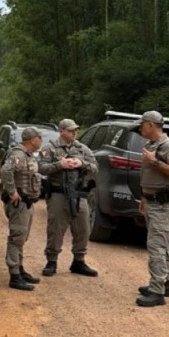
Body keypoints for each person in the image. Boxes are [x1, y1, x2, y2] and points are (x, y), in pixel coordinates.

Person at [135, 110, 169, 308]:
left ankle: (157, 292)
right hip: (151, 201)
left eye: (142, 125)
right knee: (161, 243)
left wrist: (154, 162)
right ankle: (164, 283)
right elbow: (150, 176)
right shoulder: (151, 146)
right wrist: (144, 197)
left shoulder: (168, 146)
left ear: (151, 125)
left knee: (156, 245)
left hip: (162, 204)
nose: (140, 128)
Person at [38, 118, 98, 277]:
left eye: (75, 130)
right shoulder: (50, 149)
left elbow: (95, 168)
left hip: (79, 193)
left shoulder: (83, 149)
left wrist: (81, 163)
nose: (74, 133)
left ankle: (79, 260)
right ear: (61, 131)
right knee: (56, 228)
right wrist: (60, 165)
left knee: (83, 228)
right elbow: (41, 168)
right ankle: (51, 261)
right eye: (70, 130)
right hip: (58, 193)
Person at [0, 126, 43, 290]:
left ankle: (20, 268)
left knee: (21, 237)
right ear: (32, 140)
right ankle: (14, 275)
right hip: (19, 204)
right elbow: (6, 170)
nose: (41, 141)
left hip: (28, 203)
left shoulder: (28, 155)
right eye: (40, 137)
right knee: (16, 237)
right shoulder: (18, 154)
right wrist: (12, 192)